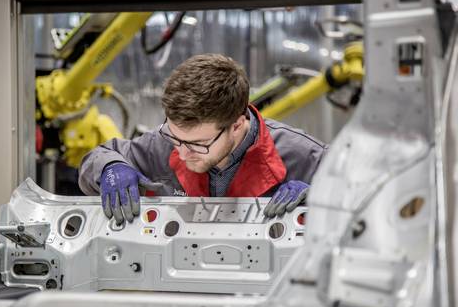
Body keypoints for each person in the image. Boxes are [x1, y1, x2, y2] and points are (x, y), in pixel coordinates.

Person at [79, 54, 327, 225]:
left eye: (198, 144)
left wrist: (324, 199)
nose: (183, 153)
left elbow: (361, 201)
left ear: (237, 125)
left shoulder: (303, 156)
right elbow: (100, 155)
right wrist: (110, 167)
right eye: (175, 137)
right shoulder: (163, 145)